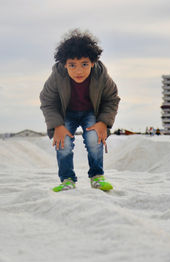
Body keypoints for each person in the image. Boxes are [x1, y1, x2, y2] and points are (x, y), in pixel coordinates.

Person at [40, 29, 121, 192]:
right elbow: (47, 101)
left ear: (93, 62)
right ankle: (67, 179)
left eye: (84, 64)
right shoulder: (57, 76)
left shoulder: (101, 75)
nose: (78, 71)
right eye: (72, 65)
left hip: (90, 112)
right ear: (64, 64)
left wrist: (103, 122)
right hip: (66, 113)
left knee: (94, 139)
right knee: (64, 143)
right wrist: (57, 125)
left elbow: (112, 99)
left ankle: (97, 176)